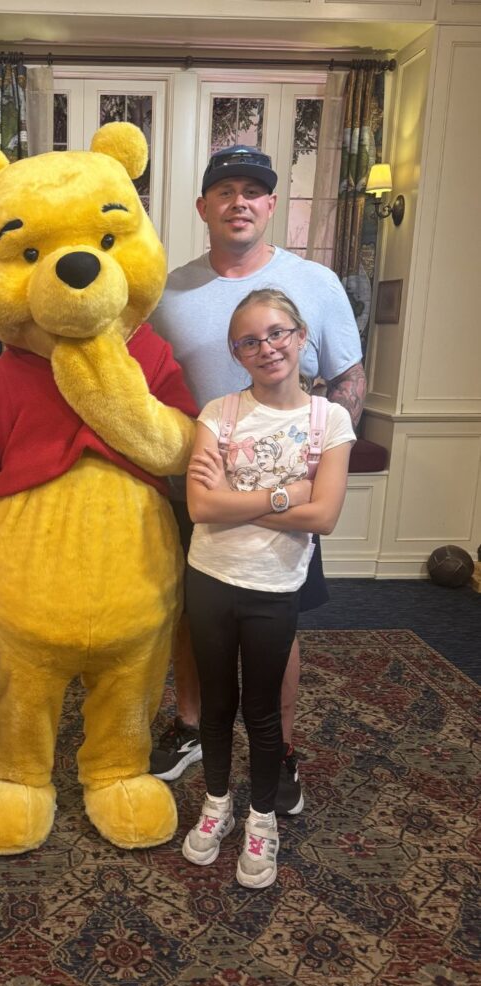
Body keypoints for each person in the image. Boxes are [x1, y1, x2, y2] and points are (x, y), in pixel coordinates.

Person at [149, 145, 365, 813]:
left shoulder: (315, 282)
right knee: (191, 615)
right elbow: (146, 383)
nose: (238, 201)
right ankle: (189, 726)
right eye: (224, 190)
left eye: (253, 190)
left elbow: (348, 377)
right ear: (203, 207)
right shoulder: (167, 289)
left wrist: (324, 460)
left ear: (270, 204)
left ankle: (283, 747)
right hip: (197, 483)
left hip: (286, 483)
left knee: (280, 618)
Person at [181, 288, 354, 887]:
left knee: (261, 709)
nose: (267, 348)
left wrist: (236, 502)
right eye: (250, 341)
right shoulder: (218, 413)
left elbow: (325, 517)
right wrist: (287, 494)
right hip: (208, 579)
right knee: (215, 702)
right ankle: (217, 804)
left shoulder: (328, 421)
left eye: (278, 333)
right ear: (237, 352)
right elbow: (201, 506)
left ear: (302, 336)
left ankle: (261, 819)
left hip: (273, 587)